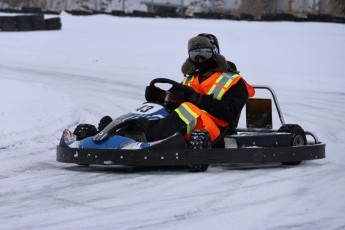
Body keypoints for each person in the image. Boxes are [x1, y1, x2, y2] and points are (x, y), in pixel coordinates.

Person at [143, 33, 255, 145]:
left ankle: (150, 139)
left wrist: (200, 100)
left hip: (216, 131)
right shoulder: (189, 80)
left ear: (214, 52)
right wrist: (159, 97)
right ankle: (132, 133)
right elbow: (173, 101)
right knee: (155, 110)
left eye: (204, 53)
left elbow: (231, 113)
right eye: (194, 54)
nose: (199, 59)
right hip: (188, 128)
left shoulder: (234, 81)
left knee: (187, 109)